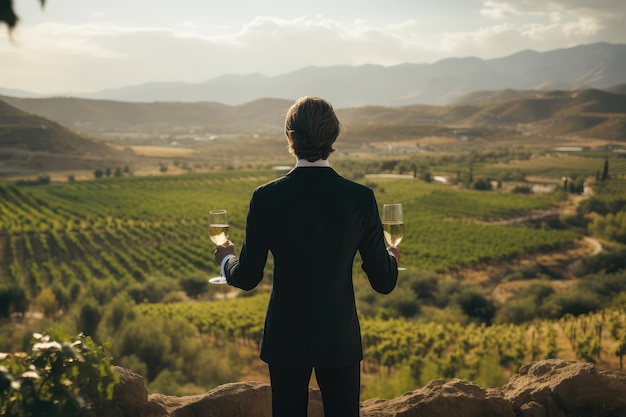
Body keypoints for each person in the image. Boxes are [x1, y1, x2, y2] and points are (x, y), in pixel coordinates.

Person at [214, 96, 399, 417]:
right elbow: (384, 282)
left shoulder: (266, 197)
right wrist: (392, 256)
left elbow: (247, 277)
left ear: (290, 137)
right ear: (333, 138)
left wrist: (226, 259)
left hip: (286, 337)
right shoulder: (360, 198)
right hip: (339, 338)